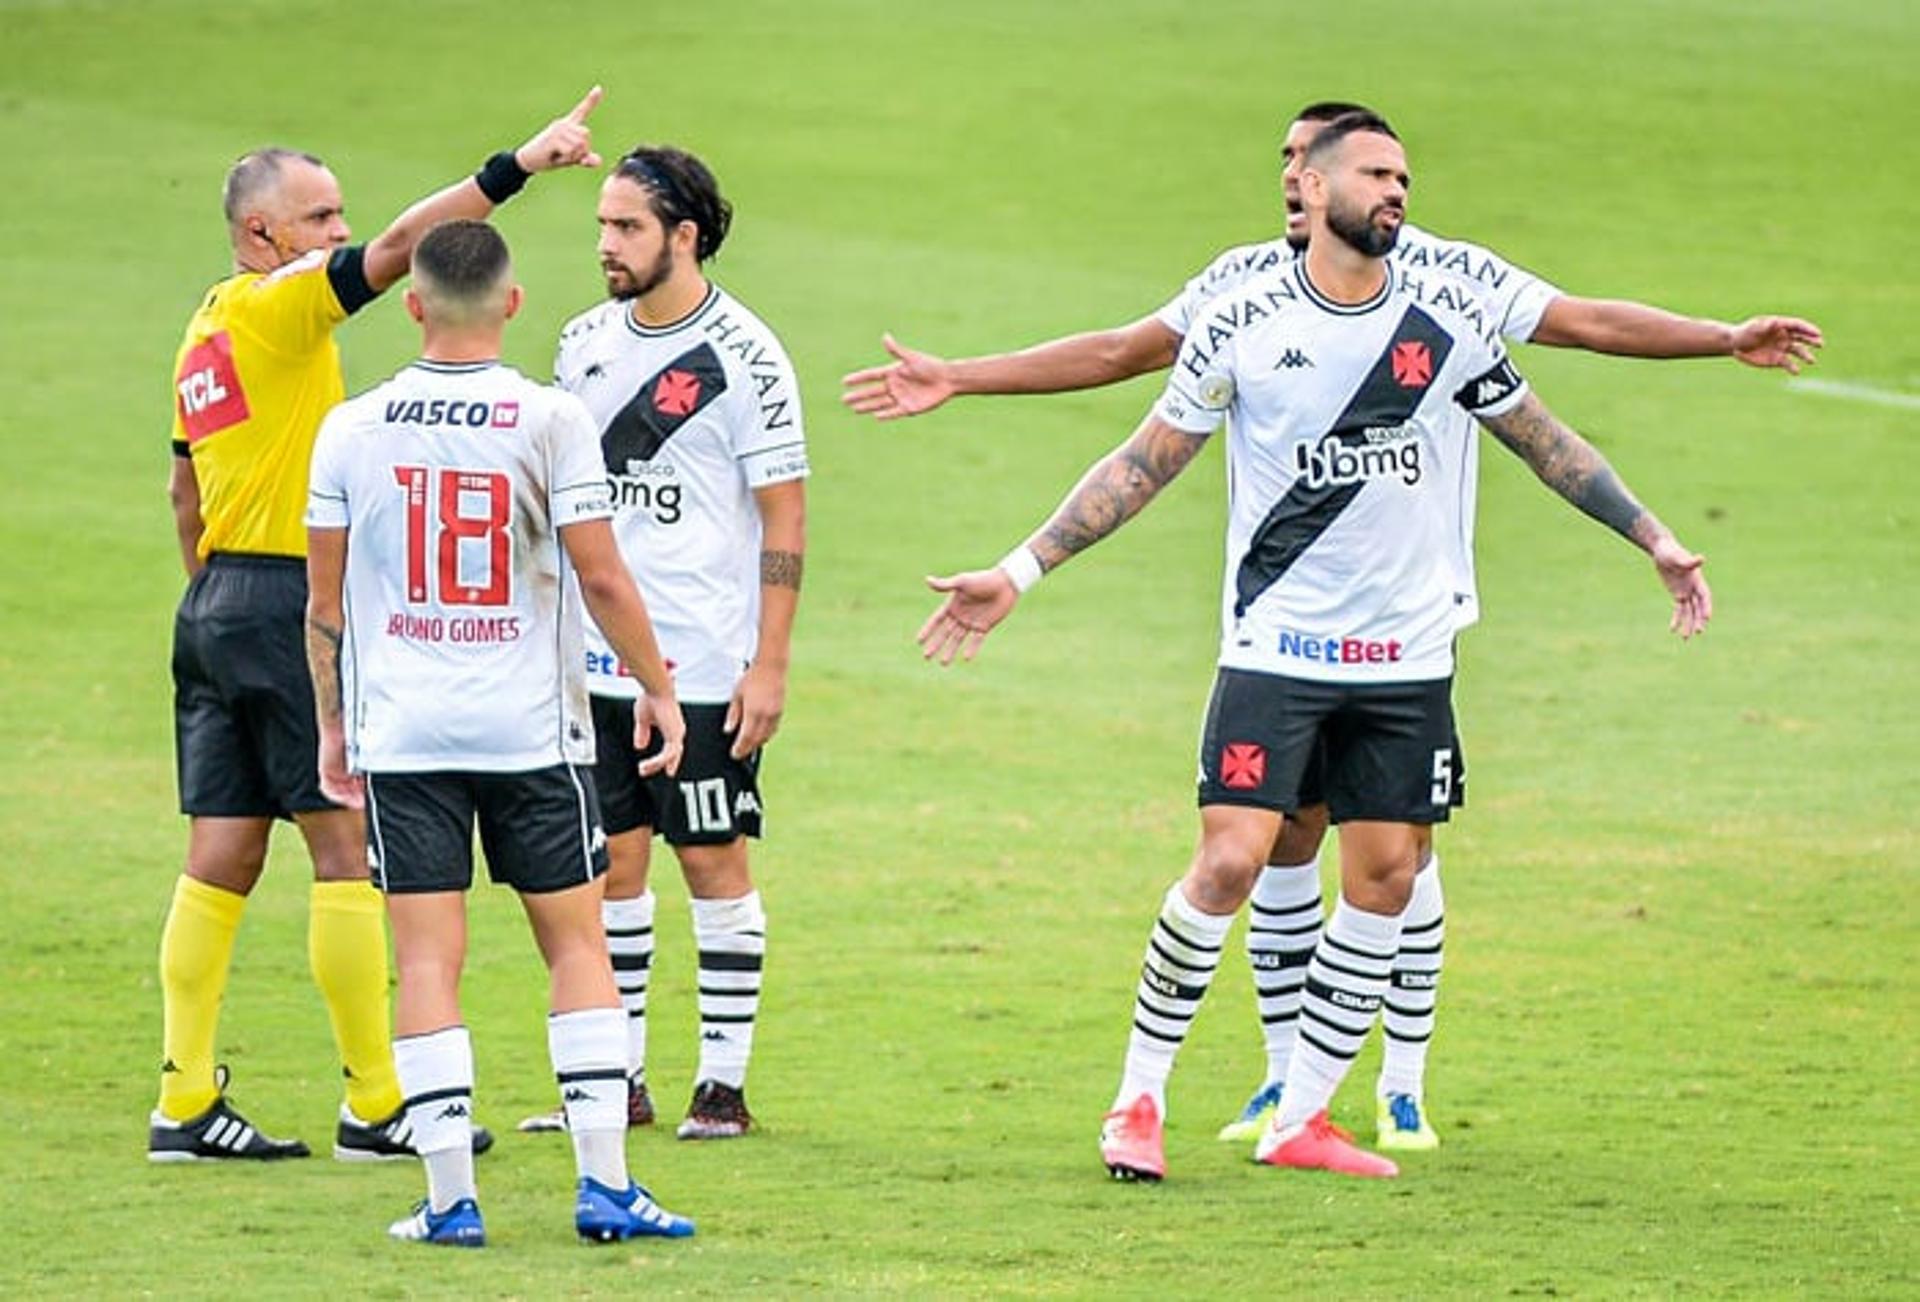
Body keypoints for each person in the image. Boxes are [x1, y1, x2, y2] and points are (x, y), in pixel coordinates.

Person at [847, 99, 1816, 1152]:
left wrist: (1663, 510)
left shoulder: (1451, 299)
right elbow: (1139, 431)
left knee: (1394, 870)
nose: (1394, 191)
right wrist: (1019, 562)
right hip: (1277, 644)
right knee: (1240, 858)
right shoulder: (1241, 302)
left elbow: (1554, 419)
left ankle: (1340, 1101)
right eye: (1370, 174)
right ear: (1311, 186)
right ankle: (1154, 1098)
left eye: (1402, 176)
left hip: (1409, 650)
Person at [152, 89, 605, 1163]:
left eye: (339, 215)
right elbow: (410, 246)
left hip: (212, 598)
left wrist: (214, 603)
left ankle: (181, 1099)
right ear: (264, 234)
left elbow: (183, 495)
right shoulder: (279, 306)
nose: (342, 236)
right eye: (321, 219)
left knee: (217, 854)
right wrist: (519, 166)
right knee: (346, 848)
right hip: (275, 602)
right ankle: (376, 1100)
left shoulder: (206, 327)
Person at [304, 218, 696, 1247]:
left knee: (428, 962)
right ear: (513, 304)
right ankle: (606, 1188)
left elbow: (323, 604)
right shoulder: (552, 419)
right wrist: (656, 688)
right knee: (577, 948)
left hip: (407, 735)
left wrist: (332, 728)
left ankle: (448, 1203)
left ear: (414, 303)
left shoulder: (351, 427)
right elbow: (603, 575)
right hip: (533, 732)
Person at [518, 146, 807, 1141]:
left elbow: (785, 519)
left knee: (713, 860)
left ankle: (722, 1086)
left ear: (685, 236)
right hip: (588, 664)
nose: (605, 244)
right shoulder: (583, 342)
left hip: (704, 662)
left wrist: (768, 664)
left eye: (627, 227)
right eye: (601, 225)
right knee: (609, 867)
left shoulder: (749, 359)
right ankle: (620, 1082)